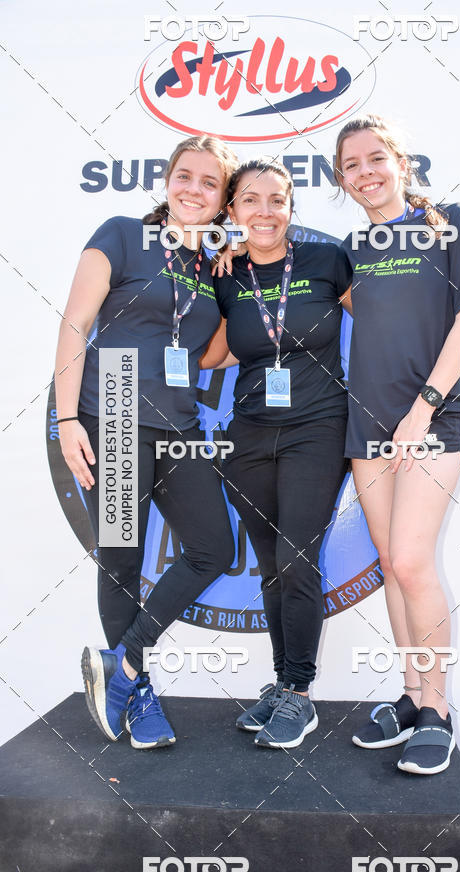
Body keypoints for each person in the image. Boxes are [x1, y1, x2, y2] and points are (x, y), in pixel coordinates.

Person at [54, 135, 238, 749]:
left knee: (213, 546)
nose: (193, 190)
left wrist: (242, 275)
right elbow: (76, 324)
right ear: (167, 180)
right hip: (111, 414)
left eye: (209, 183)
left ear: (223, 200)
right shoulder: (121, 235)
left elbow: (213, 354)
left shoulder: (213, 268)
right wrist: (67, 420)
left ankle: (122, 664)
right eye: (185, 176)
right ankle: (137, 697)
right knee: (122, 559)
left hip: (179, 425)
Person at [334, 114, 460, 774]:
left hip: (432, 420)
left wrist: (423, 407)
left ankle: (437, 708)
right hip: (366, 425)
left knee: (411, 561)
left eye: (375, 158)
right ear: (342, 180)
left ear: (400, 163)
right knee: (389, 563)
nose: (366, 173)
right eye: (351, 165)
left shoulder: (455, 223)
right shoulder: (352, 249)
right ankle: (410, 695)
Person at [202, 158, 352, 749]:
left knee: (296, 559)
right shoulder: (226, 275)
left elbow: (381, 325)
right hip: (249, 436)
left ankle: (300, 694)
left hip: (318, 428)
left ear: (291, 207)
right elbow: (212, 356)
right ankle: (283, 682)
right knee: (270, 566)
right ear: (232, 210)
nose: (265, 211)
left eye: (277, 200)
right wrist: (209, 264)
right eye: (250, 200)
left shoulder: (327, 261)